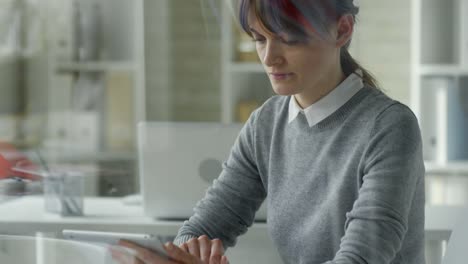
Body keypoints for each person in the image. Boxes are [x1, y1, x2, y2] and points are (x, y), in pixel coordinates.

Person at [114, 0, 425, 263]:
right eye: (259, 39)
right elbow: (202, 227)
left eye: (289, 38)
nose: (269, 58)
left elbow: (359, 259)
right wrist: (187, 253)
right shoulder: (266, 124)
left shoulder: (389, 126)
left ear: (342, 30)